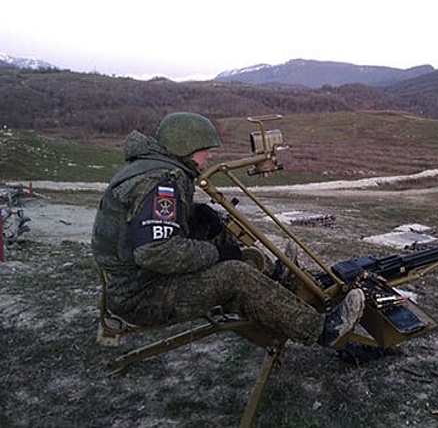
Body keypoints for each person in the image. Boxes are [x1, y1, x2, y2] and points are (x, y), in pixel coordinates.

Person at [91, 112, 364, 347]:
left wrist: (195, 213)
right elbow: (156, 252)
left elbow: (145, 224)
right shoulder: (160, 182)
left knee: (222, 230)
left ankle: (278, 280)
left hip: (137, 280)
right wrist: (216, 254)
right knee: (235, 275)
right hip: (141, 296)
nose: (208, 156)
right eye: (204, 150)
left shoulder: (151, 169)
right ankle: (322, 330)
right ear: (186, 147)